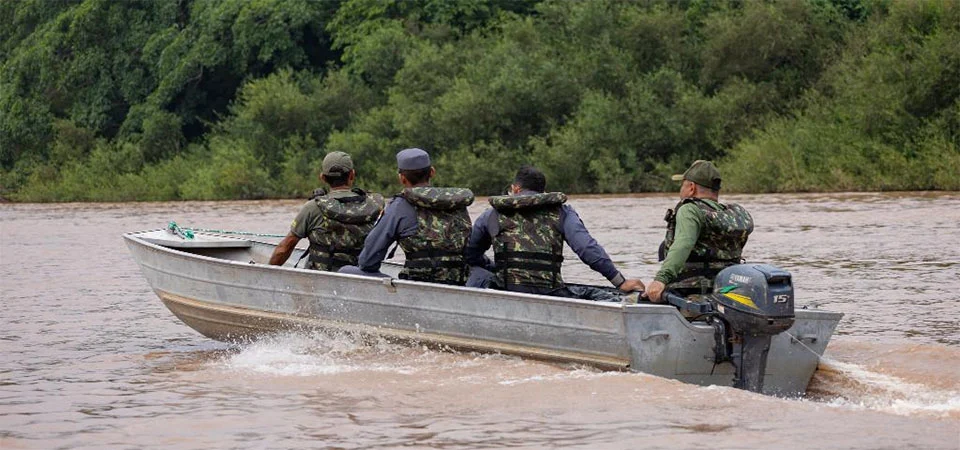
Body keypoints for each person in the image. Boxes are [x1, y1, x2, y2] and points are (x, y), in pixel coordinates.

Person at [465, 165, 644, 299]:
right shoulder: (562, 212)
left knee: (478, 274)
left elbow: (470, 253)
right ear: (543, 192)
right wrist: (620, 281)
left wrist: (492, 267)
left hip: (506, 289)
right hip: (551, 292)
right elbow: (587, 249)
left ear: (516, 189)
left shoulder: (493, 214)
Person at [339, 148, 475, 285]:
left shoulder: (400, 205)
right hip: (460, 283)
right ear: (432, 172)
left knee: (346, 271)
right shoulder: (457, 203)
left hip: (417, 287)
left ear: (402, 178)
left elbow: (367, 261)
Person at [644, 160, 753, 303]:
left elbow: (683, 244)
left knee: (638, 297)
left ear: (691, 188)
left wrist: (660, 280)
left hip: (689, 294)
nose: (680, 190)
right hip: (726, 291)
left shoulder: (689, 210)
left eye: (682, 184)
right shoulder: (733, 214)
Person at [268, 151, 384, 271]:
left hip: (321, 280)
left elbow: (285, 248)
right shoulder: (374, 206)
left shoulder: (313, 207)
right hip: (361, 277)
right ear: (352, 175)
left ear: (322, 178)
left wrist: (268, 272)